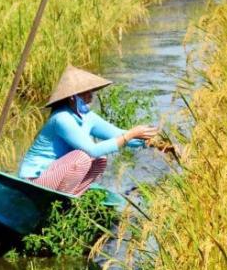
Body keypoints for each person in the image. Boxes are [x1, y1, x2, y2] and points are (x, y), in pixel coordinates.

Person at [18, 66, 158, 194]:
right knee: (82, 156)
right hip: (35, 180)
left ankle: (71, 197)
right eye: (85, 93)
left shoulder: (88, 117)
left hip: (57, 176)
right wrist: (131, 134)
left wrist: (155, 143)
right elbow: (93, 150)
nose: (90, 96)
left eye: (90, 91)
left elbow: (118, 135)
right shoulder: (62, 118)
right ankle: (61, 198)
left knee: (100, 159)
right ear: (72, 97)